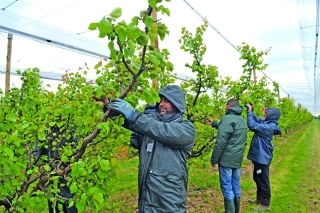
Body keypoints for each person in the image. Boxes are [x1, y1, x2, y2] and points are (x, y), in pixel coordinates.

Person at [108, 85, 196, 213]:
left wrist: (133, 114)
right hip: (147, 200)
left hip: (169, 204)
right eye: (161, 100)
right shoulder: (151, 126)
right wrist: (108, 106)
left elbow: (161, 131)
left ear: (177, 104)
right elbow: (133, 124)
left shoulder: (187, 129)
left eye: (166, 100)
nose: (161, 104)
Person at [205, 99, 247, 213]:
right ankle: (236, 210)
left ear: (229, 106)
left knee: (227, 186)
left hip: (226, 159)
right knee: (235, 185)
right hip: (237, 159)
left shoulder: (227, 118)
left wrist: (214, 159)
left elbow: (220, 142)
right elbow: (229, 129)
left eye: (225, 106)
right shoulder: (241, 120)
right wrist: (214, 123)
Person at [245, 104, 281, 211]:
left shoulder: (267, 127)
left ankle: (265, 204)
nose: (263, 114)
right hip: (260, 157)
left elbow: (252, 125)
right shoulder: (268, 123)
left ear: (271, 116)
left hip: (262, 158)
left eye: (265, 113)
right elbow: (257, 120)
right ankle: (259, 199)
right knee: (257, 178)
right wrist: (252, 111)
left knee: (263, 180)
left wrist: (250, 112)